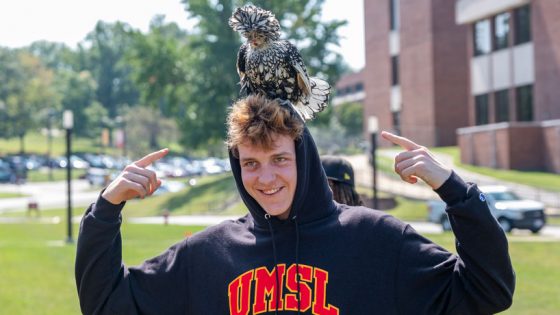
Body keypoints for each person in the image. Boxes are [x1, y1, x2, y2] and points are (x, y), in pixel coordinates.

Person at [75, 95, 515, 315]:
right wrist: (106, 208)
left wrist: (457, 191)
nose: (265, 179)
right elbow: (106, 304)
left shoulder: (378, 239)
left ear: (303, 157)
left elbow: (488, 291)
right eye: (251, 163)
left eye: (279, 159)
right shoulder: (207, 254)